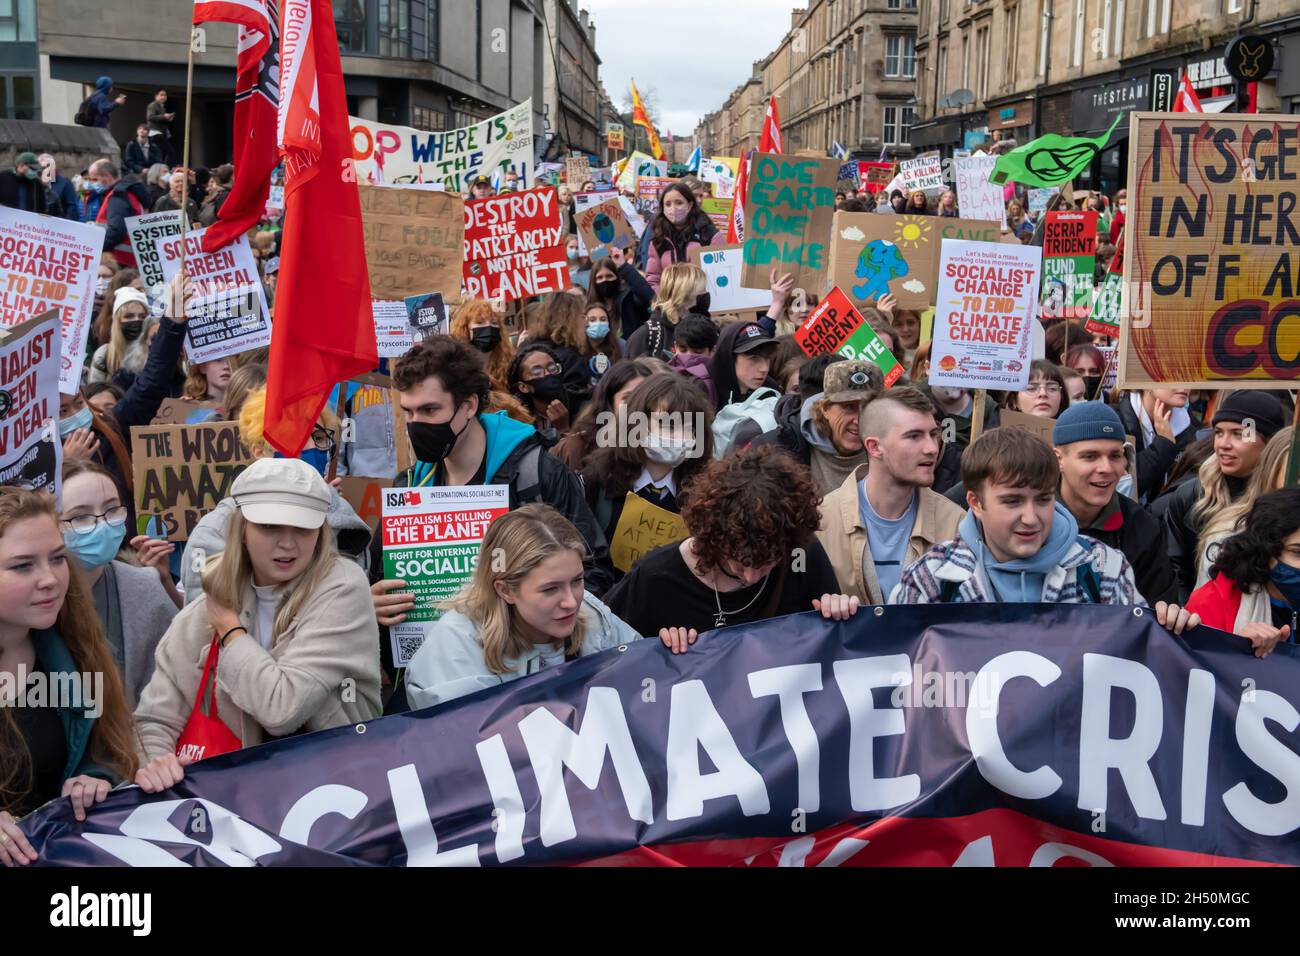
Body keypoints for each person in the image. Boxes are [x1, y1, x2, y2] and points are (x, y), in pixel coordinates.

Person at [369, 336, 616, 681]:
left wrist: (540, 607)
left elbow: (595, 571)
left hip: (527, 674)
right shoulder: (409, 487)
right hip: (439, 677)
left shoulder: (536, 473)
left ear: (469, 405)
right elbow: (378, 578)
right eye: (408, 411)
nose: (416, 424)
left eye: (429, 410)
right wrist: (374, 602)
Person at [134, 459, 381, 789]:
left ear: (321, 531)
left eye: (303, 528)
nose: (288, 543)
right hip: (233, 805)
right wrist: (157, 766)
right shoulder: (211, 596)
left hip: (338, 791)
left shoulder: (344, 584)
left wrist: (230, 630)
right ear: (242, 530)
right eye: (269, 526)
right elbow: (153, 720)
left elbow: (281, 708)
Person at [891, 428, 1199, 638]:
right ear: (976, 502)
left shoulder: (1103, 569)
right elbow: (896, 667)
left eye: (1043, 499)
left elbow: (1135, 661)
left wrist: (1168, 632)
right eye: (1012, 501)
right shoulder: (931, 578)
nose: (1031, 517)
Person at [0, 489, 139, 862]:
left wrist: (95, 779)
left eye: (58, 558)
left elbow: (106, 751)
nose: (50, 578)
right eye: (22, 566)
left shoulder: (75, 652)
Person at [404, 505, 652, 710]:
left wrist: (669, 656)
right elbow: (458, 748)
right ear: (505, 590)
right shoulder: (455, 646)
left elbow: (647, 688)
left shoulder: (592, 616)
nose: (571, 601)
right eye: (550, 589)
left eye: (577, 580)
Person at [605, 445, 861, 642]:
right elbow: (606, 645)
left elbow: (833, 647)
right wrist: (656, 650)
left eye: (768, 563)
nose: (751, 577)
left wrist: (837, 613)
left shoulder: (801, 554)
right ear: (713, 538)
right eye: (740, 563)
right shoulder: (655, 577)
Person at [181, 387, 372, 603]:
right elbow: (209, 622)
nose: (310, 446)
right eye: (293, 436)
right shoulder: (217, 531)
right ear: (259, 451)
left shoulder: (343, 516)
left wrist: (363, 608)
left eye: (318, 436)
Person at [60, 274, 191, 530]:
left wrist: (173, 321)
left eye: (78, 402)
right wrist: (66, 465)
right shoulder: (38, 457)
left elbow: (150, 384)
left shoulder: (111, 427)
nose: (76, 413)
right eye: (63, 410)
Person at [817, 386, 963, 604]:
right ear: (875, 447)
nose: (931, 448)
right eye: (914, 436)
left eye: (933, 434)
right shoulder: (821, 521)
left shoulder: (956, 522)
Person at [60, 459, 178, 707]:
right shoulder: (34, 600)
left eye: (112, 510)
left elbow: (172, 689)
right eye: (81, 516)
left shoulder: (144, 587)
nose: (101, 524)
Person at [1164, 391, 1287, 602]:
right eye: (1219, 432)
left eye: (1239, 434)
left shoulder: (1284, 501)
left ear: (1269, 442)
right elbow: (1175, 572)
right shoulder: (1191, 495)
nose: (1223, 444)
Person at [1052, 403, 1178, 605]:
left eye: (1115, 456)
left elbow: (1158, 610)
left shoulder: (1142, 527)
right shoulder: (1033, 521)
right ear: (1059, 459)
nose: (1106, 468)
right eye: (1090, 456)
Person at [581, 373, 714, 558]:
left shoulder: (706, 494)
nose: (678, 436)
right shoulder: (596, 481)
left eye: (689, 427)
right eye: (665, 423)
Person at [1186, 489, 1300, 657]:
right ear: (1267, 550)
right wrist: (1238, 649)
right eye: (1297, 553)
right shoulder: (1211, 602)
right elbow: (1195, 671)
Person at [1193, 425, 1294, 592]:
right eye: (1297, 476)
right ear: (1271, 472)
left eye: (1238, 434)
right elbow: (1207, 610)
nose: (1225, 444)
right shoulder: (1228, 537)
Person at [550, 357, 667, 472]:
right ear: (610, 402)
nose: (637, 403)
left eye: (645, 397)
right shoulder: (580, 446)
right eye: (628, 397)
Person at [1117, 387, 1200, 501]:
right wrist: (1164, 445)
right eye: (1171, 375)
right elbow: (1124, 489)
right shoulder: (1115, 421)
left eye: (1188, 375)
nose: (1184, 385)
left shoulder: (1192, 431)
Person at [645, 182, 725, 292]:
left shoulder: (710, 236)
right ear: (662, 208)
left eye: (679, 203)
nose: (673, 209)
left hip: (703, 305)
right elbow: (653, 279)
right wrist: (664, 304)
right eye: (668, 204)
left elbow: (722, 274)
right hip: (670, 306)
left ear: (690, 204)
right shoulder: (658, 240)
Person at [626, 261, 708, 359]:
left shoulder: (704, 329)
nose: (705, 294)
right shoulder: (646, 336)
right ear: (683, 295)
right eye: (701, 290)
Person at [508, 341, 580, 440]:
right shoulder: (517, 420)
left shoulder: (581, 406)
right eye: (537, 372)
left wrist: (564, 430)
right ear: (523, 387)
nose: (547, 374)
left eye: (552, 368)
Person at [705, 320, 780, 413]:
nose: (764, 368)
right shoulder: (701, 391)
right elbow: (693, 427)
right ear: (729, 357)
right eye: (754, 359)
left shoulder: (770, 390)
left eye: (768, 358)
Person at [87, 288, 153, 389]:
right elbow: (95, 395)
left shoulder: (156, 350)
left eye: (142, 316)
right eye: (129, 316)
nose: (137, 320)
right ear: (117, 321)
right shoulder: (104, 354)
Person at [584, 245, 654, 340]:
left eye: (609, 276)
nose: (605, 280)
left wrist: (623, 266)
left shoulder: (629, 298)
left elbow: (649, 296)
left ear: (617, 278)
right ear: (593, 282)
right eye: (600, 277)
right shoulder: (589, 306)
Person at [90, 160, 151, 266]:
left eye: (95, 179)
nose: (92, 184)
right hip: (130, 258)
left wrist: (95, 248)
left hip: (118, 260)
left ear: (107, 176)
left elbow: (116, 230)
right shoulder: (130, 193)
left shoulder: (117, 196)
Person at [450, 298, 515, 393]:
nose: (488, 326)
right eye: (480, 322)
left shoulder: (509, 361)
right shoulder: (456, 364)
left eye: (494, 323)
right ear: (466, 328)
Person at [1001, 359, 1070, 419]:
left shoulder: (1077, 433)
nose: (1043, 393)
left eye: (1052, 388)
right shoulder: (999, 434)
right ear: (1014, 401)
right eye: (1031, 389)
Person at [0, 152, 62, 216]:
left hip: (28, 224)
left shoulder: (37, 184)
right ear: (21, 166)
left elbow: (42, 209)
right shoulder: (3, 178)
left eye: (36, 169)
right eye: (32, 169)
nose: (34, 172)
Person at [762, 269, 818, 337]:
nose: (805, 309)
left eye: (810, 303)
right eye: (798, 304)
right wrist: (777, 303)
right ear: (786, 309)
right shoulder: (771, 338)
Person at [580, 300, 622, 386]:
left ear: (609, 324)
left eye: (603, 319)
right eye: (592, 320)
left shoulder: (621, 346)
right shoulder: (576, 350)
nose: (598, 323)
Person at [37, 154, 82, 222]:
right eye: (43, 168)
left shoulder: (65, 183)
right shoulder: (36, 182)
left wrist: (66, 224)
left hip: (59, 224)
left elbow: (71, 206)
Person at [146, 89, 177, 165]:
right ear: (156, 96)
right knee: (169, 152)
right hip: (155, 133)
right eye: (161, 95)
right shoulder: (153, 105)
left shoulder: (161, 106)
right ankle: (163, 168)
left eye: (165, 95)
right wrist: (164, 116)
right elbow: (150, 117)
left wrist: (168, 119)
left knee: (163, 153)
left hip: (161, 133)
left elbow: (160, 119)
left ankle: (161, 168)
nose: (163, 97)